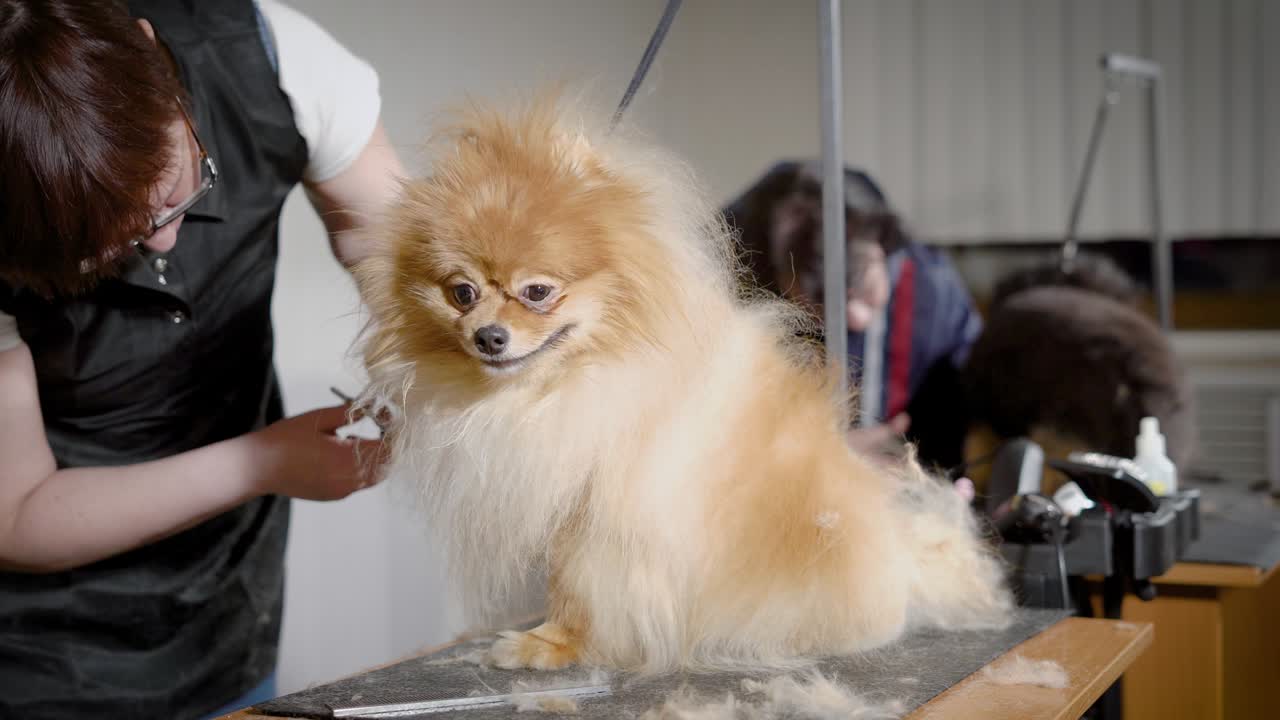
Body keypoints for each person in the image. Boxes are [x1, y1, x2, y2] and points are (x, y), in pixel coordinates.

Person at [0, 1, 407, 717]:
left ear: (161, 66)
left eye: (168, 192)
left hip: (229, 608)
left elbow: (389, 244)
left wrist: (424, 367)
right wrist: (263, 463)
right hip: (41, 655)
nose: (160, 244)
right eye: (100, 251)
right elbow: (17, 514)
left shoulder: (277, 61)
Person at [722, 161, 982, 469]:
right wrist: (818, 452)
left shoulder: (934, 290)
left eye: (865, 288)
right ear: (779, 280)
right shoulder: (727, 299)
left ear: (881, 246)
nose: (857, 317)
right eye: (823, 305)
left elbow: (963, 403)